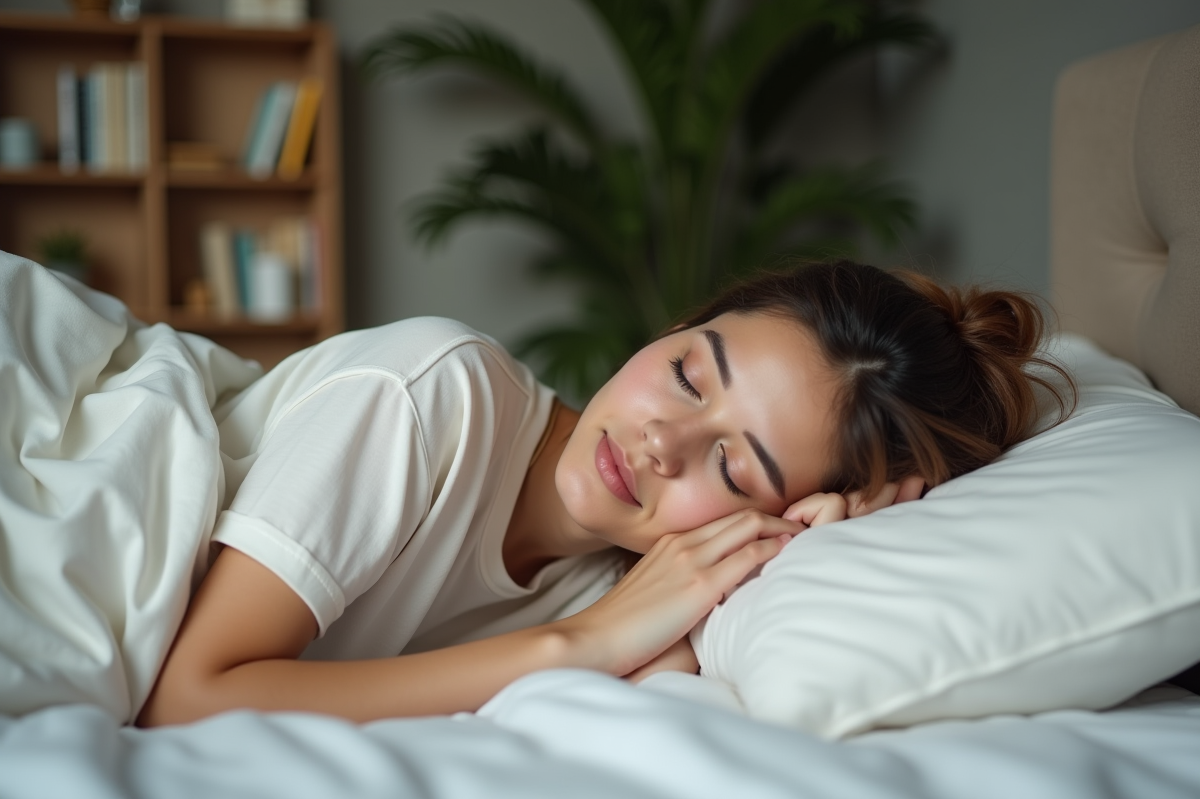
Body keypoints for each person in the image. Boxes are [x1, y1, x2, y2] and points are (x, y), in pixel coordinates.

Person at [138, 259, 1068, 727]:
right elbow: (184, 697)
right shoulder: (432, 394)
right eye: (689, 375)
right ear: (674, 329)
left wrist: (826, 540)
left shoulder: (639, 589)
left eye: (736, 470)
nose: (663, 441)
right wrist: (573, 645)